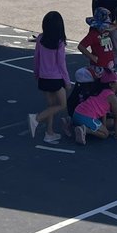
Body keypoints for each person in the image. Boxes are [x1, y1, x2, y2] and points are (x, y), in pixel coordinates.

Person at [28, 10, 72, 144]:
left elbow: (37, 58)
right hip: (55, 78)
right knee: (62, 104)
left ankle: (49, 132)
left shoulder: (41, 38)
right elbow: (61, 64)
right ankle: (37, 118)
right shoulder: (59, 43)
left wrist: (36, 73)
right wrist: (67, 81)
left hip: (43, 77)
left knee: (51, 105)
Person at [71, 74, 117, 145]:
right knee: (105, 134)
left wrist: (104, 127)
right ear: (111, 84)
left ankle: (72, 123)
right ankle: (85, 130)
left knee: (109, 123)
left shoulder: (103, 91)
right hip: (86, 117)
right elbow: (116, 117)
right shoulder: (112, 97)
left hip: (77, 113)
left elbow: (104, 113)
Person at [77, 7, 116, 81]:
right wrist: (92, 56)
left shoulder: (106, 32)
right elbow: (81, 46)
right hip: (99, 67)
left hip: (109, 65)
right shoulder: (93, 34)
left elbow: (115, 26)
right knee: (101, 86)